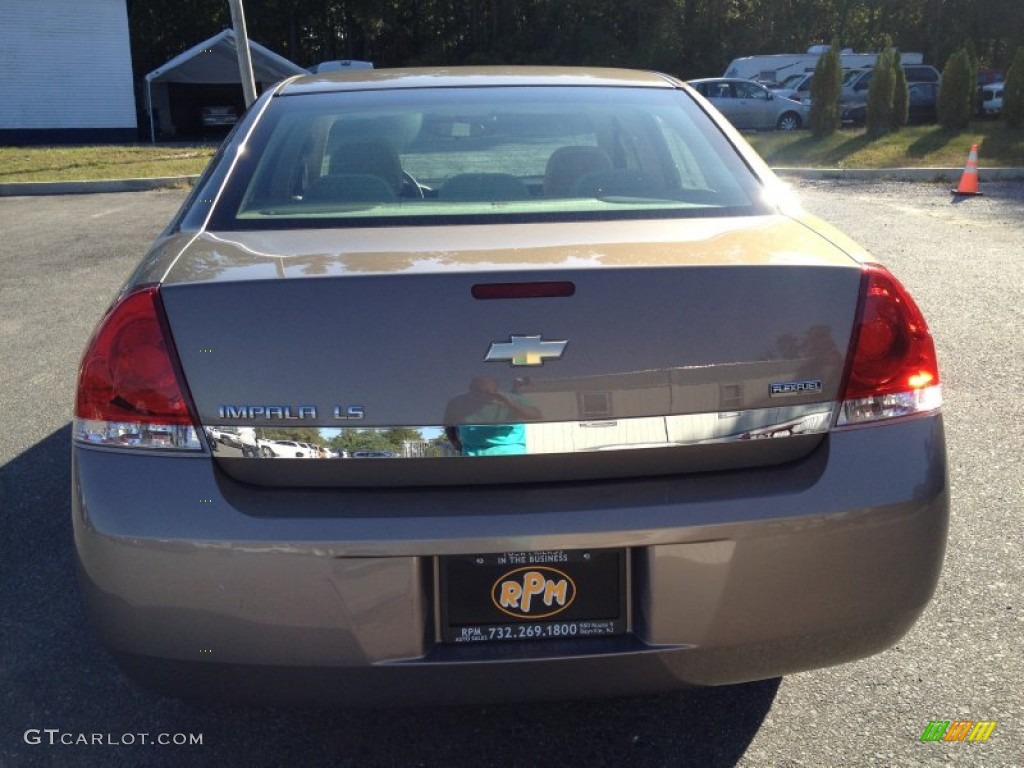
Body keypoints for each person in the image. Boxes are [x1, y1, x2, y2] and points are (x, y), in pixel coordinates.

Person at [443, 376, 541, 456]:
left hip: (509, 450)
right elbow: (449, 424)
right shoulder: (457, 402)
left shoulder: (512, 399)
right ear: (471, 389)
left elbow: (536, 415)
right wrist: (456, 443)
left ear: (496, 389)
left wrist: (508, 404)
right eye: (479, 391)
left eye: (489, 392)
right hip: (472, 452)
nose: (483, 395)